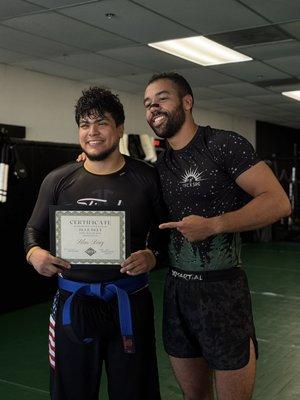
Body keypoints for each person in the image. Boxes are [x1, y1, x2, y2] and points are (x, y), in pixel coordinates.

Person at [143, 72, 291, 400]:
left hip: (223, 291)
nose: (154, 107)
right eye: (148, 103)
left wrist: (214, 225)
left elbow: (278, 201)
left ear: (187, 101)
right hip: (177, 293)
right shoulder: (160, 165)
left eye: (162, 98)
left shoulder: (223, 144)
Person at [24, 87, 166, 400]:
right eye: (85, 125)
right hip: (74, 305)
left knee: (135, 392)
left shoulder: (146, 178)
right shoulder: (58, 180)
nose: (92, 132)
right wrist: (34, 253)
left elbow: (165, 232)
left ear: (119, 129)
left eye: (101, 123)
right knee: (71, 392)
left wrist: (153, 255)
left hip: (128, 302)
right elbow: (33, 229)